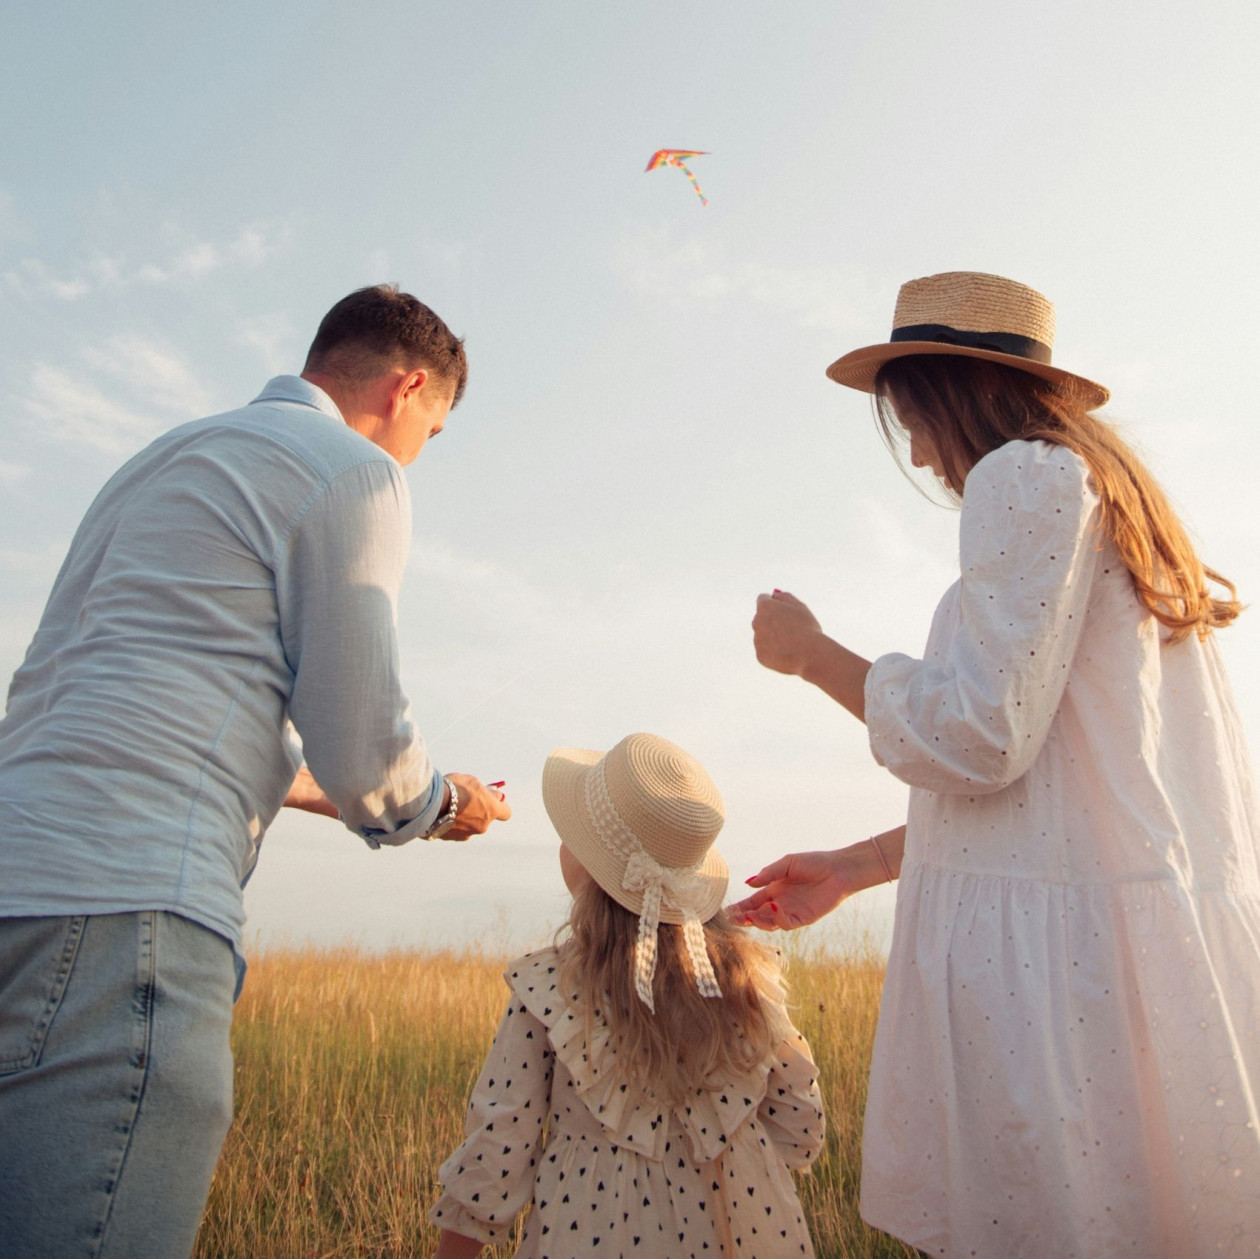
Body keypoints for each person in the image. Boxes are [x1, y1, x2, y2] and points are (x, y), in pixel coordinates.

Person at [733, 271, 1260, 1258]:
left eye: (910, 420)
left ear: (943, 392)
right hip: (1097, 967)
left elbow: (983, 735)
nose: (922, 454)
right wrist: (855, 864)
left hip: (1045, 995)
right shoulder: (1097, 499)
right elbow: (1060, 785)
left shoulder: (1021, 475)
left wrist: (815, 654)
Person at [0, 284, 511, 1258]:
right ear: (408, 389)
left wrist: (324, 792)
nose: (418, 456)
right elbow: (364, 744)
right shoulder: (352, 469)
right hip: (127, 910)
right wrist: (442, 802)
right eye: (433, 431)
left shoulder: (158, 461)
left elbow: (134, 709)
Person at [430, 732, 825, 1258]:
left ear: (595, 869)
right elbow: (801, 1129)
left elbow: (496, 1153)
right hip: (749, 1232)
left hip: (591, 1230)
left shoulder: (549, 988)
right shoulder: (750, 982)